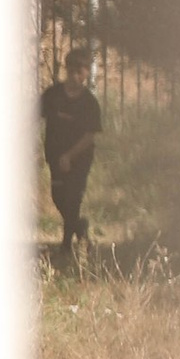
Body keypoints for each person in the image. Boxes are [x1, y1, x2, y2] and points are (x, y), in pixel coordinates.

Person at [41, 48, 104, 268]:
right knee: (59, 198)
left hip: (79, 159)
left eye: (82, 71)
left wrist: (70, 155)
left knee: (73, 199)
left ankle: (67, 245)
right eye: (73, 70)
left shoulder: (89, 103)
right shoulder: (52, 95)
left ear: (87, 73)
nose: (77, 76)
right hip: (55, 156)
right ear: (66, 70)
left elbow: (89, 136)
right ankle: (80, 228)